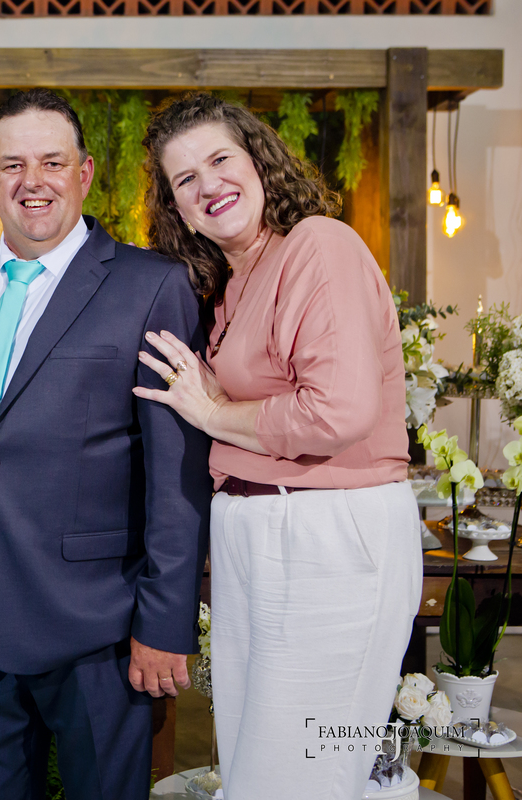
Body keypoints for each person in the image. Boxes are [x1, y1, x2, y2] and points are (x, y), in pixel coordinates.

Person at [137, 92, 423, 800]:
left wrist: (213, 412)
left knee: (299, 776)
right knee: (259, 772)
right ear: (178, 209)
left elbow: (338, 411)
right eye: (185, 179)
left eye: (220, 160)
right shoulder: (232, 283)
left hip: (329, 534)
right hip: (262, 535)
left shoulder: (318, 245)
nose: (209, 185)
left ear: (260, 162)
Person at [0, 89, 212, 800]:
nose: (34, 182)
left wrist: (165, 622)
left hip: (102, 632)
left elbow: (177, 476)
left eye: (52, 162)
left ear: (84, 173)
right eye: (14, 165)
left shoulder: (152, 285)